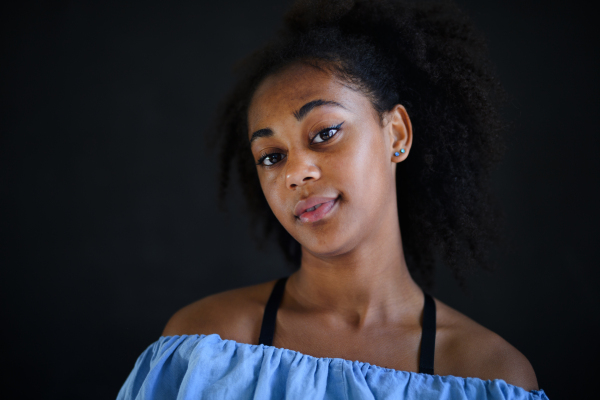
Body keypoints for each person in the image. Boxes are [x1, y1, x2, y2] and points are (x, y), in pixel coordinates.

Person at [117, 0, 549, 398]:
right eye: (271, 156)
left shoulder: (491, 377)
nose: (295, 172)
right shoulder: (204, 349)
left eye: (325, 133)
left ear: (396, 134)